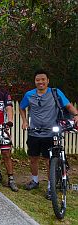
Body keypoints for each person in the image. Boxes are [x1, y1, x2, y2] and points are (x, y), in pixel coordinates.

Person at [19, 69, 78, 199]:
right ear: (35, 82)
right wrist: (24, 122)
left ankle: (51, 187)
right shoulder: (29, 95)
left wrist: (76, 114)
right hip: (34, 132)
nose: (40, 82)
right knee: (33, 158)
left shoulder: (55, 93)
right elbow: (21, 107)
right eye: (38, 80)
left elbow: (68, 106)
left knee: (49, 161)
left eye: (43, 80)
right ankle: (34, 180)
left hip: (50, 133)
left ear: (47, 81)